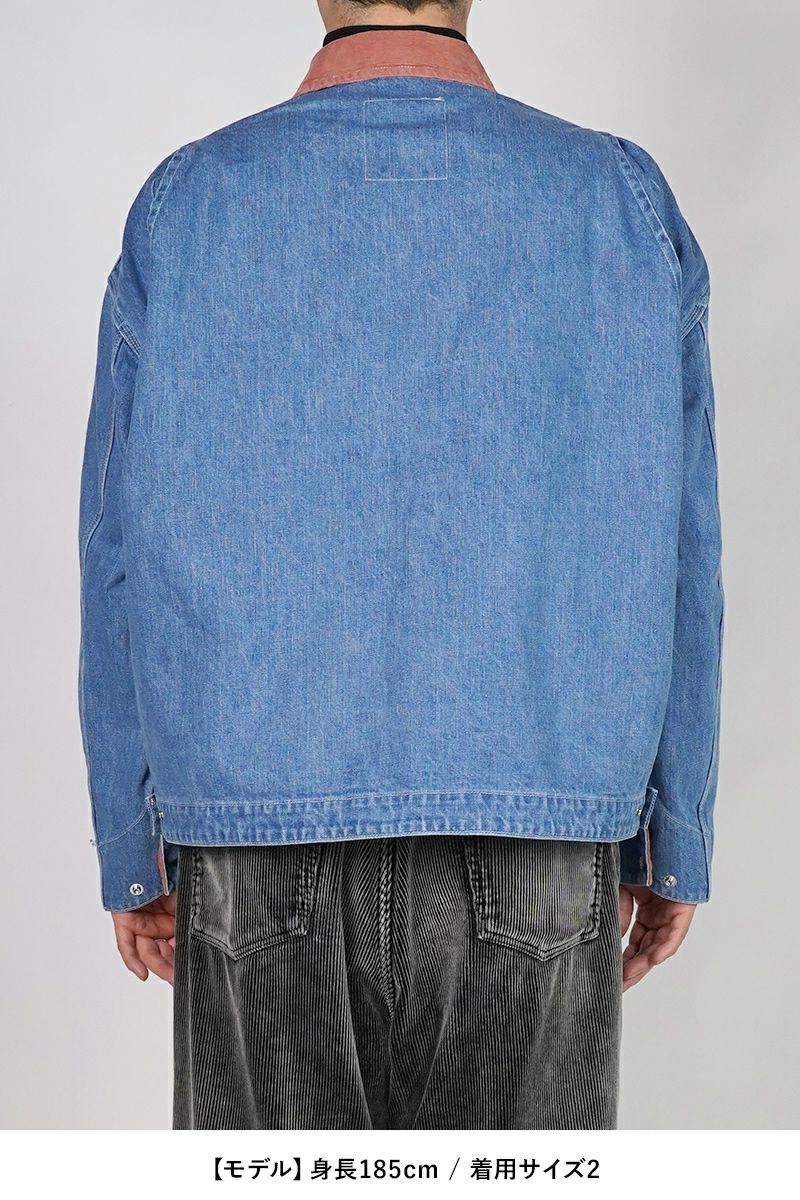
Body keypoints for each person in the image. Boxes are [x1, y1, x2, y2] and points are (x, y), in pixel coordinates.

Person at [78, 0, 723, 1130]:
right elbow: (682, 542)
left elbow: (117, 543)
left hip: (255, 829)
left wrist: (134, 846)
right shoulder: (614, 196)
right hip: (541, 822)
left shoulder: (192, 200)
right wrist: (677, 832)